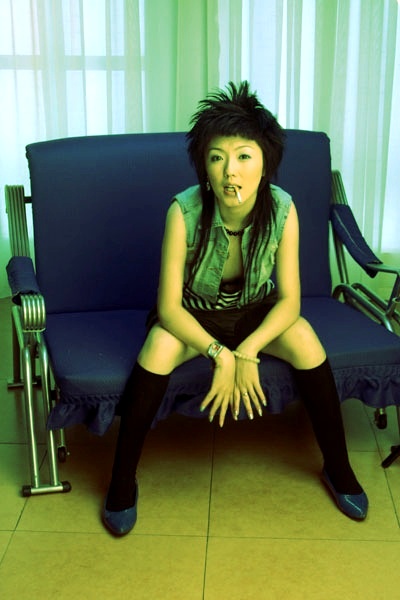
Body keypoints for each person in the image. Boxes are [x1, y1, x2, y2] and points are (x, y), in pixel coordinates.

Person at [102, 81, 368, 536]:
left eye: (244, 156)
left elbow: (289, 300)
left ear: (265, 164)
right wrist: (219, 355)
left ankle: (338, 467)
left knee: (304, 338)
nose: (230, 171)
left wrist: (247, 350)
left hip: (253, 312)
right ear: (204, 168)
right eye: (216, 158)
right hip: (192, 315)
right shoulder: (183, 211)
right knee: (159, 346)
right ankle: (121, 479)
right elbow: (168, 307)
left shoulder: (283, 210)